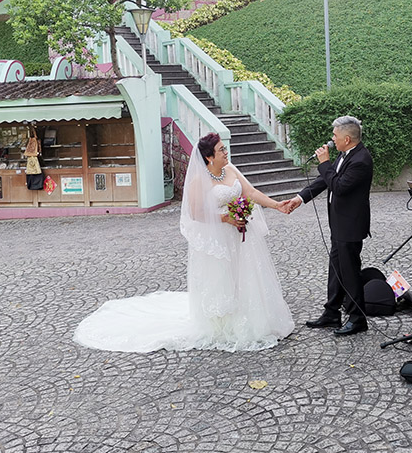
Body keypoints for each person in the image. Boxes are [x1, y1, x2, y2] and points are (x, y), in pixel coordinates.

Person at [73, 133, 294, 352]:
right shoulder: (199, 180)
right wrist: (225, 218)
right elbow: (195, 213)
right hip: (218, 236)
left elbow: (251, 192)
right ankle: (225, 324)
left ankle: (252, 317)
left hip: (239, 234)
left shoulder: (231, 170)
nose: (226, 153)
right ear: (209, 157)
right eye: (221, 150)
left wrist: (276, 205)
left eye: (224, 149)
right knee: (223, 279)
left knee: (244, 276)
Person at [280, 116, 373, 336]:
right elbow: (325, 181)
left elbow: (338, 186)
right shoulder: (345, 155)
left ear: (347, 138)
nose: (332, 139)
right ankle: (332, 313)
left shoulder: (361, 160)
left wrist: (324, 163)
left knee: (349, 272)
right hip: (339, 224)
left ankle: (358, 318)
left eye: (335, 136)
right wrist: (300, 198)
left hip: (350, 226)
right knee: (336, 269)